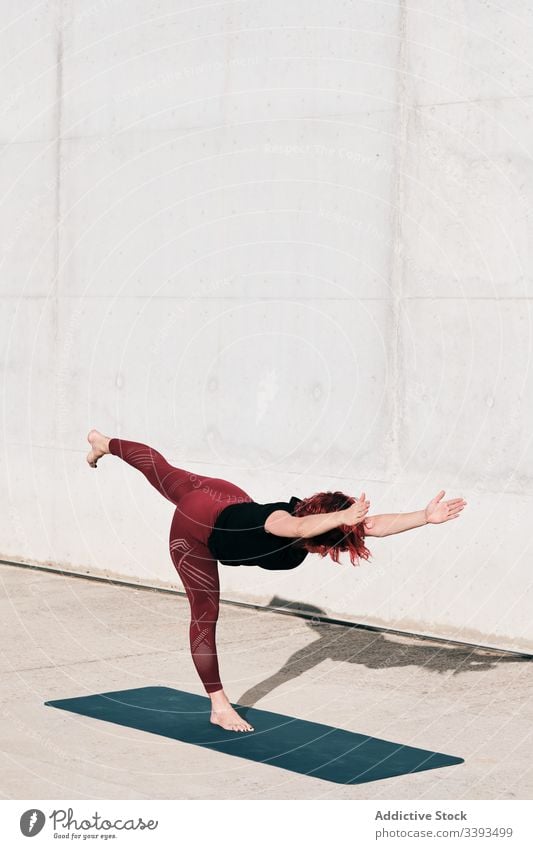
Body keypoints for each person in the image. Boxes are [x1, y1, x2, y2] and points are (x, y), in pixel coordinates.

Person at [86, 429, 467, 732]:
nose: (326, 551)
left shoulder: (320, 528)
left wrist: (424, 516)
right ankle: (219, 706)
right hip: (197, 527)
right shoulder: (282, 522)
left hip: (225, 497)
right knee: (205, 613)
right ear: (324, 526)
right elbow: (299, 525)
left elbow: (375, 526)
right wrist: (338, 519)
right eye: (328, 543)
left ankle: (102, 443)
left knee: (161, 469)